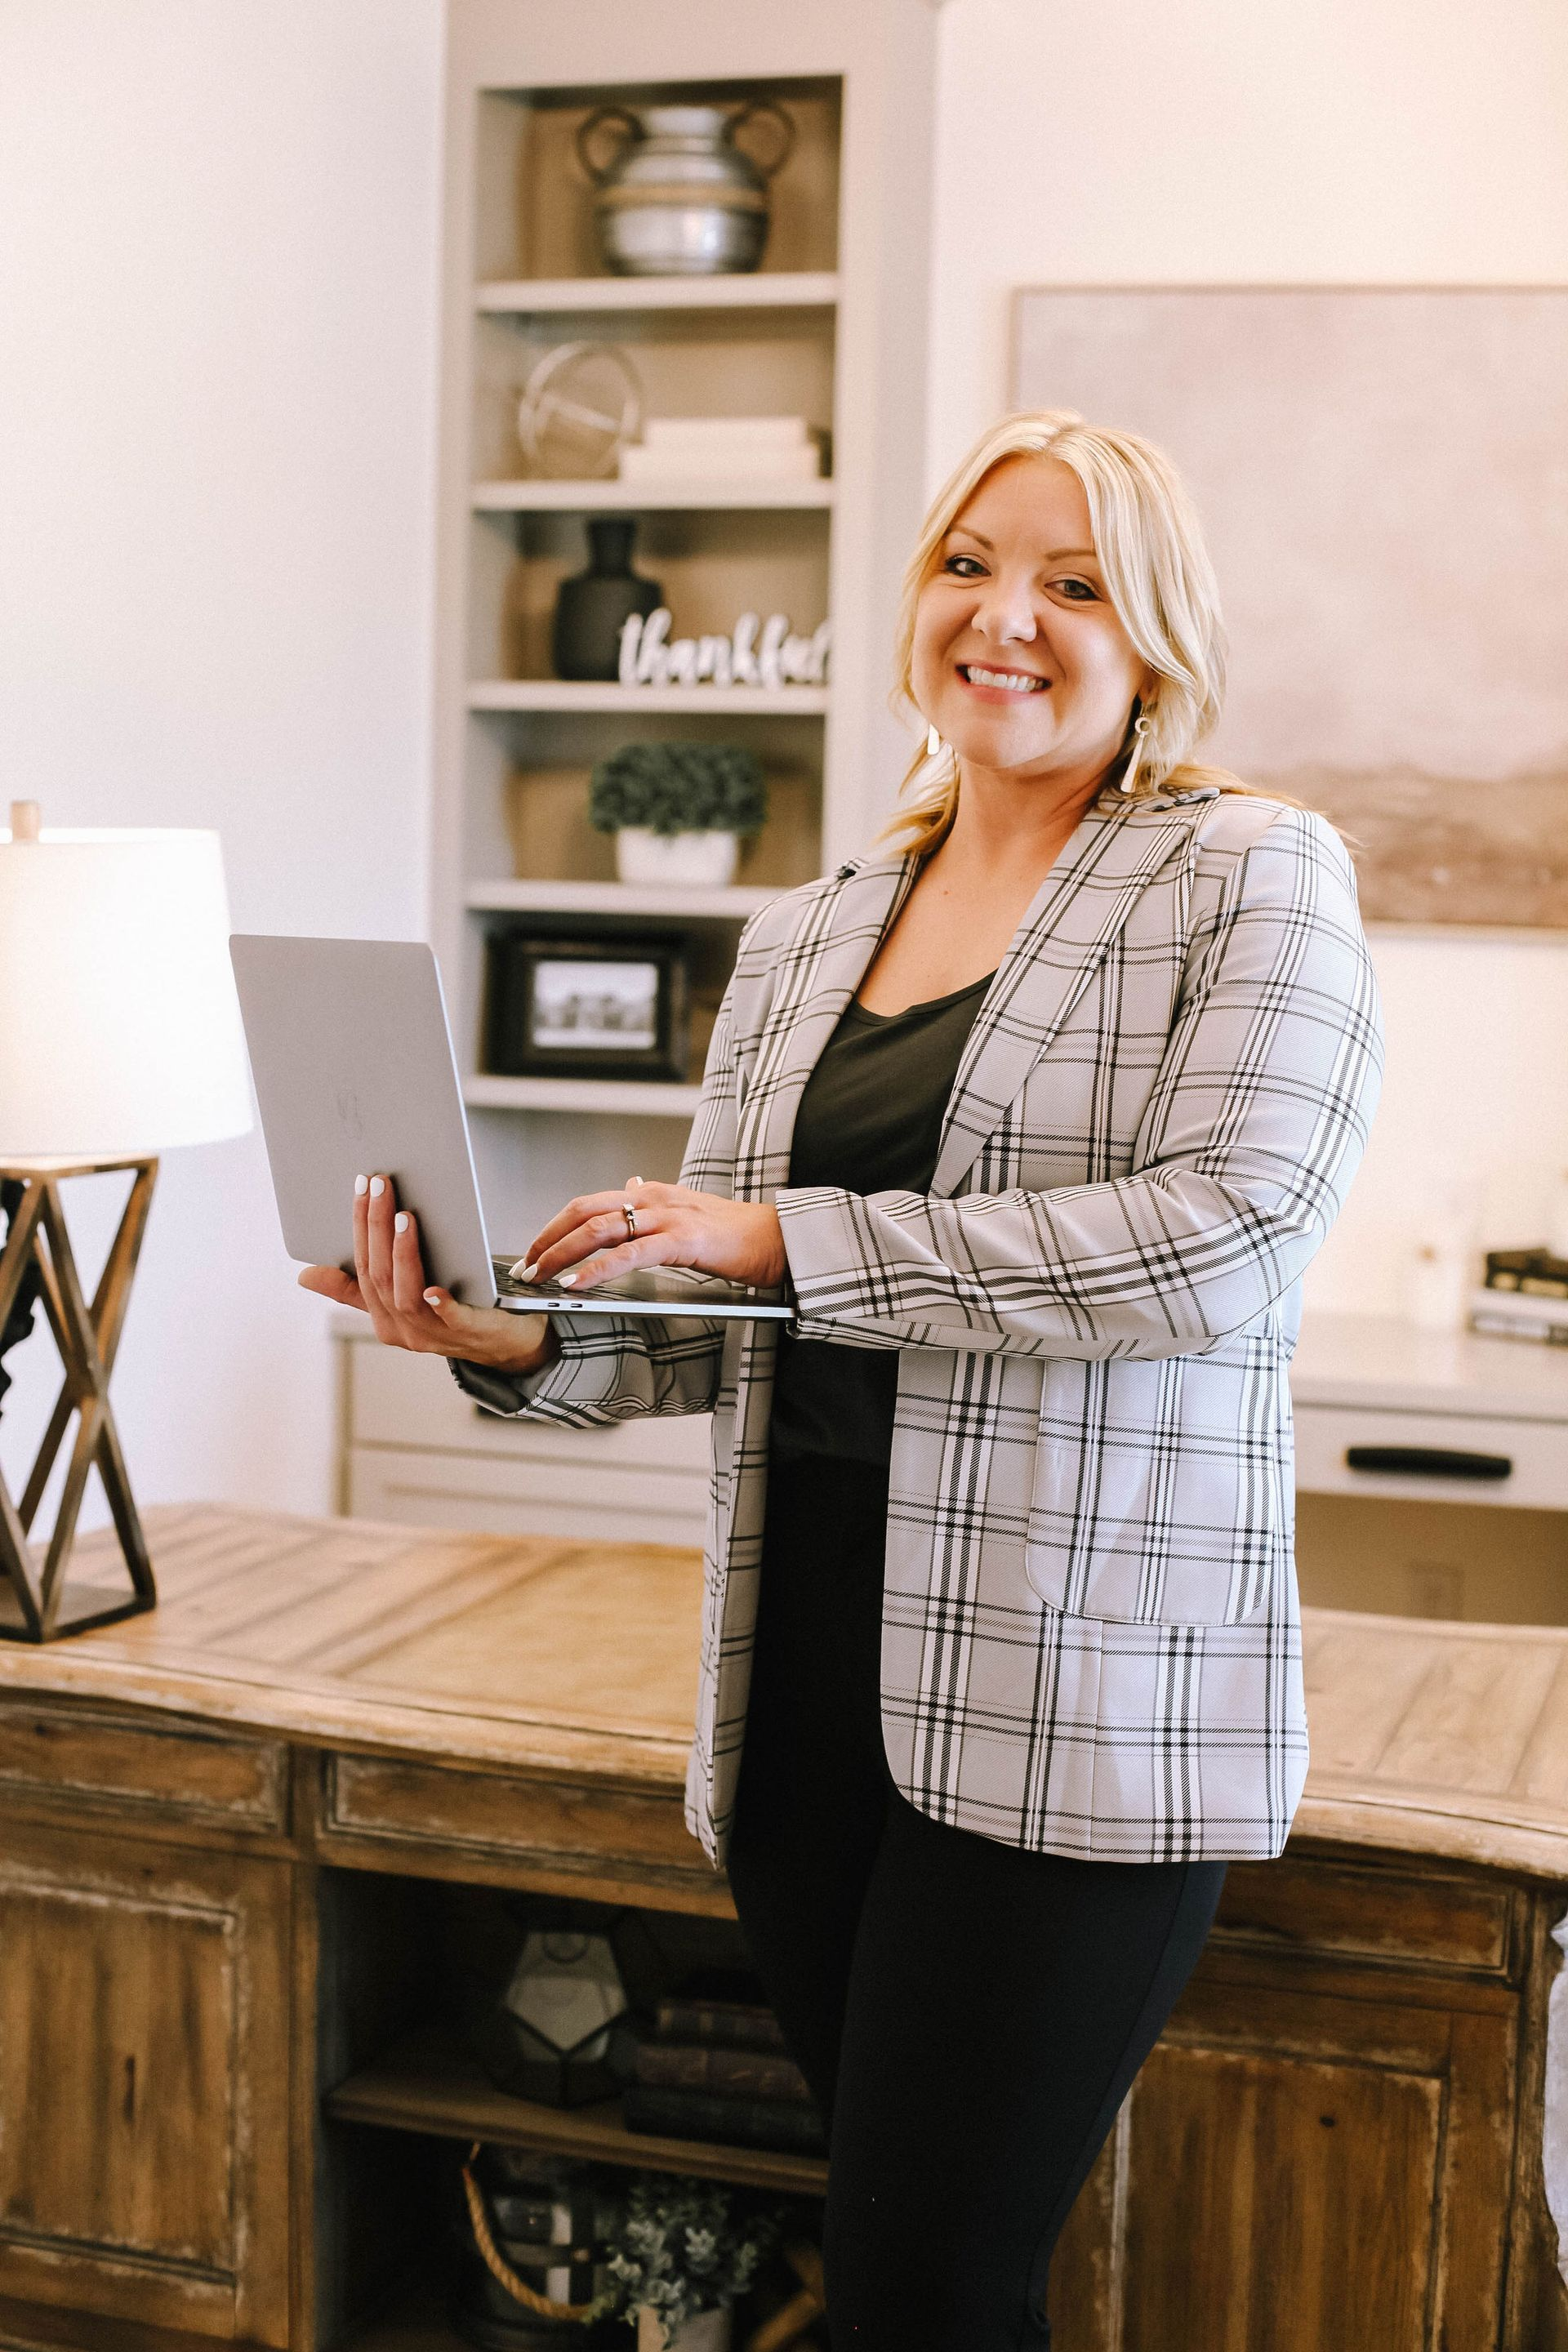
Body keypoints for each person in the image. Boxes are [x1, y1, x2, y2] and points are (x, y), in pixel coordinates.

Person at [302, 409, 1383, 2349]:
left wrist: (781, 1231)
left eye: (1074, 582)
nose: (1007, 617)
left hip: (1069, 1708)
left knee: (926, 2292)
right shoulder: (804, 935)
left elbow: (1224, 1243)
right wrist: (516, 1335)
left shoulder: (1247, 875)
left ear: (1155, 633)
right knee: (912, 2273)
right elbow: (728, 1321)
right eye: (970, 564)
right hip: (805, 1686)